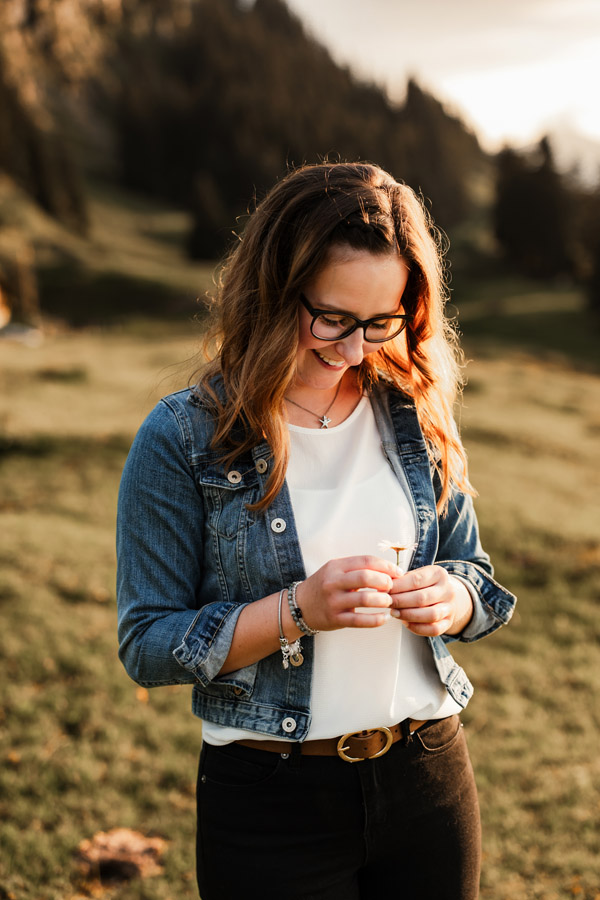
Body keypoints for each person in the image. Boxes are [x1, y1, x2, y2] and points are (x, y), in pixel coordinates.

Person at [116, 161, 516, 900]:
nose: (355, 348)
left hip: (428, 774)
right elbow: (146, 646)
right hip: (271, 799)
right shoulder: (182, 437)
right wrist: (297, 612)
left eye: (382, 322)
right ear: (272, 289)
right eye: (332, 318)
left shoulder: (413, 413)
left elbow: (478, 578)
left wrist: (452, 601)